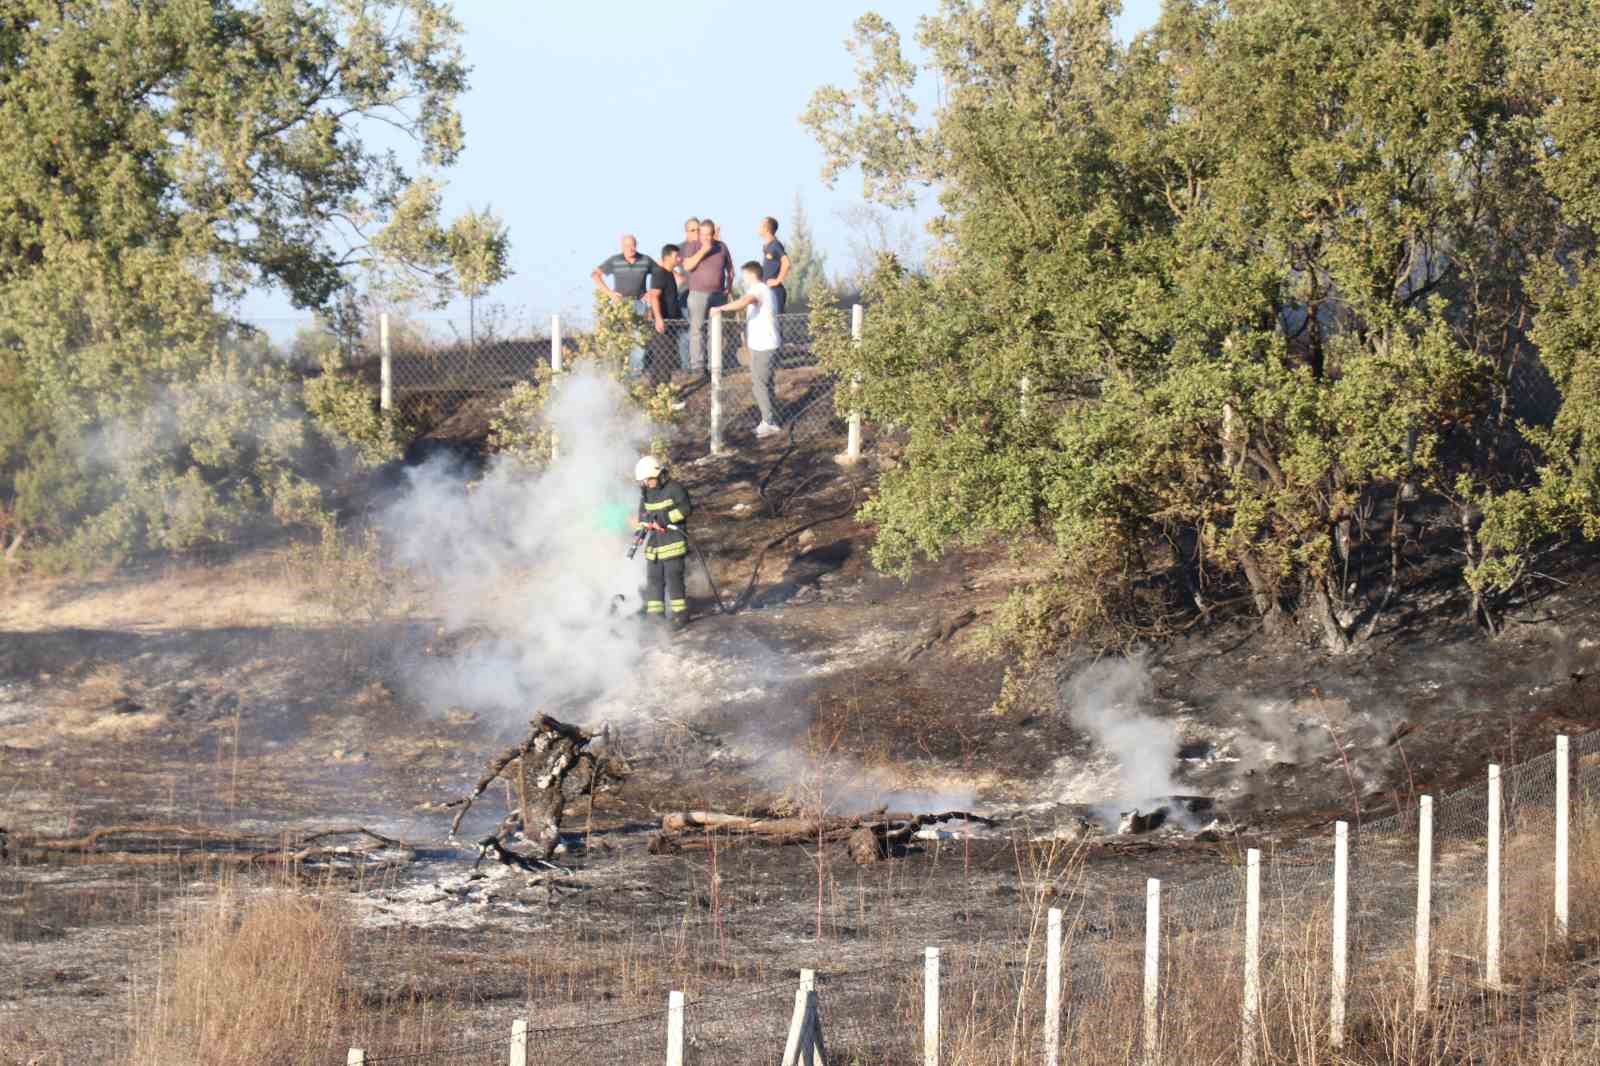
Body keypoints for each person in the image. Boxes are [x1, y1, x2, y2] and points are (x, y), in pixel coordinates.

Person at [712, 261, 782, 438]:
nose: (743, 280)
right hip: (762, 345)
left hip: (765, 345)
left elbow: (745, 301)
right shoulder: (764, 289)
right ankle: (770, 418)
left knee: (760, 385)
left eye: (744, 276)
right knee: (765, 384)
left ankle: (769, 422)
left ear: (751, 275)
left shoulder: (758, 289)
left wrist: (720, 308)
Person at [632, 454, 693, 630]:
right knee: (654, 578)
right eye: (644, 481)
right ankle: (656, 617)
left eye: (649, 480)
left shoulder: (674, 488)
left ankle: (680, 615)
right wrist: (644, 524)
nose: (646, 484)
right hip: (655, 544)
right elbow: (643, 512)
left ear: (658, 475)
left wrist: (664, 520)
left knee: (673, 577)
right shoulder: (646, 493)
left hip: (673, 541)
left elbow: (685, 509)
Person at [591, 234, 655, 375]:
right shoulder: (615, 261)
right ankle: (614, 373)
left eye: (632, 245)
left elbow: (660, 273)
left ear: (636, 245)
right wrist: (610, 294)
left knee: (639, 341)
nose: (630, 248)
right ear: (622, 247)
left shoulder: (645, 260)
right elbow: (595, 275)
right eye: (627, 246)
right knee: (616, 341)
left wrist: (651, 292)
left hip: (639, 304)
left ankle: (635, 376)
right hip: (619, 306)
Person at [679, 218, 733, 376]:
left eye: (709, 235)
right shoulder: (693, 246)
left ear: (713, 234)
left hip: (718, 295)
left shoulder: (722, 247)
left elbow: (730, 270)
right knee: (697, 330)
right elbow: (688, 266)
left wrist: (728, 288)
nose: (706, 238)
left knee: (714, 331)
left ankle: (713, 366)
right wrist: (703, 250)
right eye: (703, 234)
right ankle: (697, 366)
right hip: (697, 294)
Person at [643, 244, 683, 389]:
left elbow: (682, 282)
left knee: (664, 358)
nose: (679, 258)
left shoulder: (670, 274)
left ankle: (656, 393)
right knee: (663, 359)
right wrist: (659, 319)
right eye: (676, 256)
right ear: (667, 257)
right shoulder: (660, 273)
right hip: (663, 324)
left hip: (671, 324)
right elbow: (654, 296)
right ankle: (665, 395)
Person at [758, 216, 791, 314]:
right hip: (767, 290)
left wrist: (777, 280)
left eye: (760, 226)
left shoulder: (775, 245)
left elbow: (786, 263)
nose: (758, 228)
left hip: (775, 291)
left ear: (766, 229)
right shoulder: (767, 246)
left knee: (777, 322)